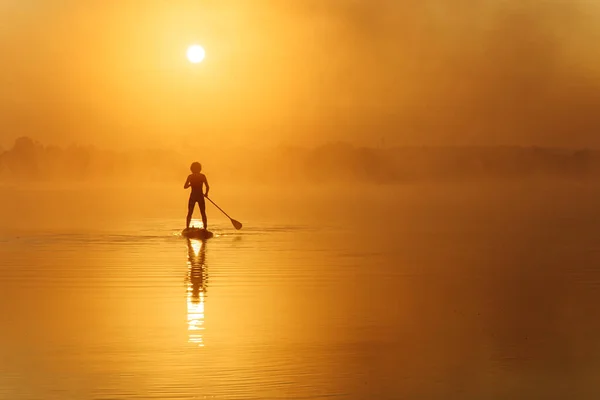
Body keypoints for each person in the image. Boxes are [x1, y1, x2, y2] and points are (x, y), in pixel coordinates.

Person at [184, 162, 210, 230]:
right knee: (203, 213)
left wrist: (190, 184)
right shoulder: (202, 176)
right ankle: (205, 228)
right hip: (200, 196)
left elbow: (185, 186)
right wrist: (206, 193)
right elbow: (207, 186)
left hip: (193, 196)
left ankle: (187, 228)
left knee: (190, 213)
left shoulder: (190, 176)